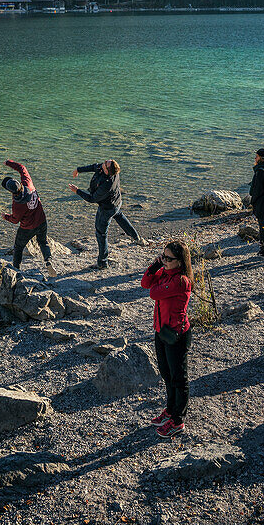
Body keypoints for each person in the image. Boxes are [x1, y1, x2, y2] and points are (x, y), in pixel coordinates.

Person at [141, 240, 193, 438]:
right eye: (163, 256)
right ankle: (170, 411)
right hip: (162, 331)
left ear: (179, 261)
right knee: (166, 374)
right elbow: (145, 283)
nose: (164, 260)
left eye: (168, 258)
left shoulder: (181, 281)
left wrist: (159, 273)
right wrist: (155, 265)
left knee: (179, 378)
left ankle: (178, 420)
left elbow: (153, 293)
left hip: (176, 335)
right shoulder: (165, 272)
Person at [69, 159, 142, 269]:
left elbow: (92, 199)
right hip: (117, 202)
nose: (104, 162)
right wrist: (78, 170)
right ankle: (136, 238)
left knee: (101, 233)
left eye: (106, 163)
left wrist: (77, 191)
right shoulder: (109, 170)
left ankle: (103, 262)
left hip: (107, 208)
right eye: (107, 161)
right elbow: (94, 166)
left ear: (107, 171)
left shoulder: (107, 185)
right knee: (119, 216)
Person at [1, 160, 57, 279]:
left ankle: (16, 269)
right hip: (41, 221)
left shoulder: (17, 205)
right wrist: (9, 163)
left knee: (18, 248)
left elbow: (15, 220)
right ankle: (48, 261)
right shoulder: (28, 184)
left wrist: (5, 216)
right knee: (43, 242)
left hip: (27, 228)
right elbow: (22, 168)